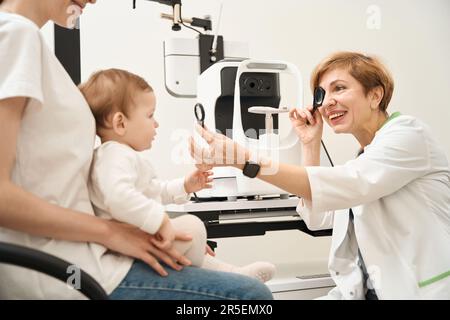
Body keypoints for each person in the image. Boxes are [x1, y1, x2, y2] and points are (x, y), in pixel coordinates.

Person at [0, 0, 273, 300]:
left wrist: (161, 231)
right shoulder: (16, 35)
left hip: (89, 259)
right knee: (250, 298)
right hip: (66, 275)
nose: (93, 0)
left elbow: (70, 189)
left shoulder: (32, 47)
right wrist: (113, 233)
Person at [191, 51, 450, 299]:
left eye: (339, 88)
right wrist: (310, 144)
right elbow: (319, 218)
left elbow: (350, 184)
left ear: (375, 95)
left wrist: (246, 160)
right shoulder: (364, 157)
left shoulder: (409, 136)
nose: (326, 102)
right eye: (321, 94)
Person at [79, 68, 276, 283]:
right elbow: (118, 197)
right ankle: (231, 276)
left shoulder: (121, 157)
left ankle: (235, 275)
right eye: (150, 115)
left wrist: (185, 186)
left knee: (192, 236)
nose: (156, 124)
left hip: (136, 242)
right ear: (120, 123)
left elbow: (153, 192)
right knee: (192, 227)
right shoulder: (114, 155)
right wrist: (160, 222)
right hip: (127, 252)